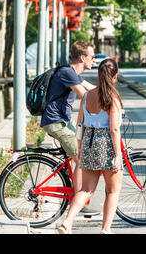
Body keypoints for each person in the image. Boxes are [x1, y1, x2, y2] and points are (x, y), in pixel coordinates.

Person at [58, 59, 124, 234]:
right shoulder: (113, 98)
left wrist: (79, 148)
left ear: (98, 75)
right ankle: (105, 229)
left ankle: (67, 222)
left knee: (86, 190)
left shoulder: (87, 96)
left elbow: (79, 124)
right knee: (113, 190)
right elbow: (114, 129)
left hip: (88, 142)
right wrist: (118, 155)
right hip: (106, 144)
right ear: (115, 76)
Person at [41, 41, 99, 216]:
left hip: (62, 122)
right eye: (92, 56)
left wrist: (111, 95)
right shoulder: (67, 73)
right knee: (80, 158)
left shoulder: (72, 73)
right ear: (82, 57)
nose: (94, 60)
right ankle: (78, 201)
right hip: (56, 123)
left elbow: (92, 89)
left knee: (80, 152)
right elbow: (85, 96)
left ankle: (74, 192)